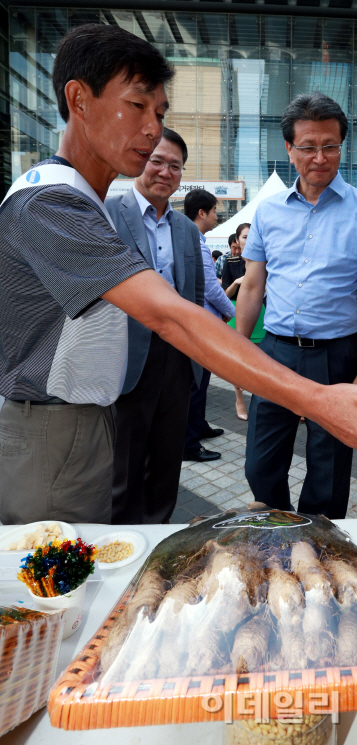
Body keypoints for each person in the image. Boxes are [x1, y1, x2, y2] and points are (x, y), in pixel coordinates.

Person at [0, 25, 357, 525]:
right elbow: (172, 315)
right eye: (137, 106)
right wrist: (314, 399)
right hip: (53, 426)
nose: (152, 130)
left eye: (159, 114)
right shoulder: (52, 202)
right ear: (79, 98)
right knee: (54, 586)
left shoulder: (85, 202)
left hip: (90, 418)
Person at [236, 92, 357, 519]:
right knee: (260, 465)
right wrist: (237, 354)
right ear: (289, 148)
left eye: (330, 146)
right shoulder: (267, 213)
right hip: (277, 354)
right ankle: (279, 530)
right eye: (307, 147)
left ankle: (316, 547)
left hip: (336, 357)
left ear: (342, 146)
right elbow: (251, 289)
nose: (319, 157)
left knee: (330, 471)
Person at [105, 128, 203, 524]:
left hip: (177, 357)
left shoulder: (186, 229)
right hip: (127, 357)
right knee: (123, 464)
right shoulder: (108, 213)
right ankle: (122, 540)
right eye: (156, 161)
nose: (165, 171)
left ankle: (158, 534)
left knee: (167, 459)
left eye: (175, 166)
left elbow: (193, 296)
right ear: (140, 162)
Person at [182, 189, 235, 462]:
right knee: (197, 383)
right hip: (199, 325)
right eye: (215, 211)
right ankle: (190, 443)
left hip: (193, 323)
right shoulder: (197, 243)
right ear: (202, 212)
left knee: (199, 382)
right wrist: (230, 311)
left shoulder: (186, 238)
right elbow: (209, 289)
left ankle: (198, 427)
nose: (217, 216)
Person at [223, 223, 266, 420]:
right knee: (238, 359)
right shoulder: (231, 262)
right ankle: (239, 399)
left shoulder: (264, 261)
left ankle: (264, 399)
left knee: (264, 360)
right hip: (236, 310)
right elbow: (224, 294)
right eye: (245, 237)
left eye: (251, 236)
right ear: (237, 240)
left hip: (261, 313)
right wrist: (236, 282)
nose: (248, 240)